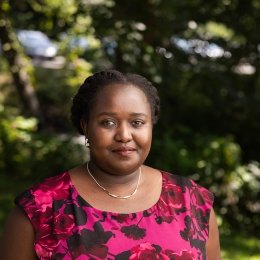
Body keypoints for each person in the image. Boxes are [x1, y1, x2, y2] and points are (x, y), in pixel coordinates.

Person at [2, 70, 221, 259]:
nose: (124, 135)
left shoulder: (193, 202)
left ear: (151, 127)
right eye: (107, 122)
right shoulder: (39, 210)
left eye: (137, 122)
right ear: (85, 126)